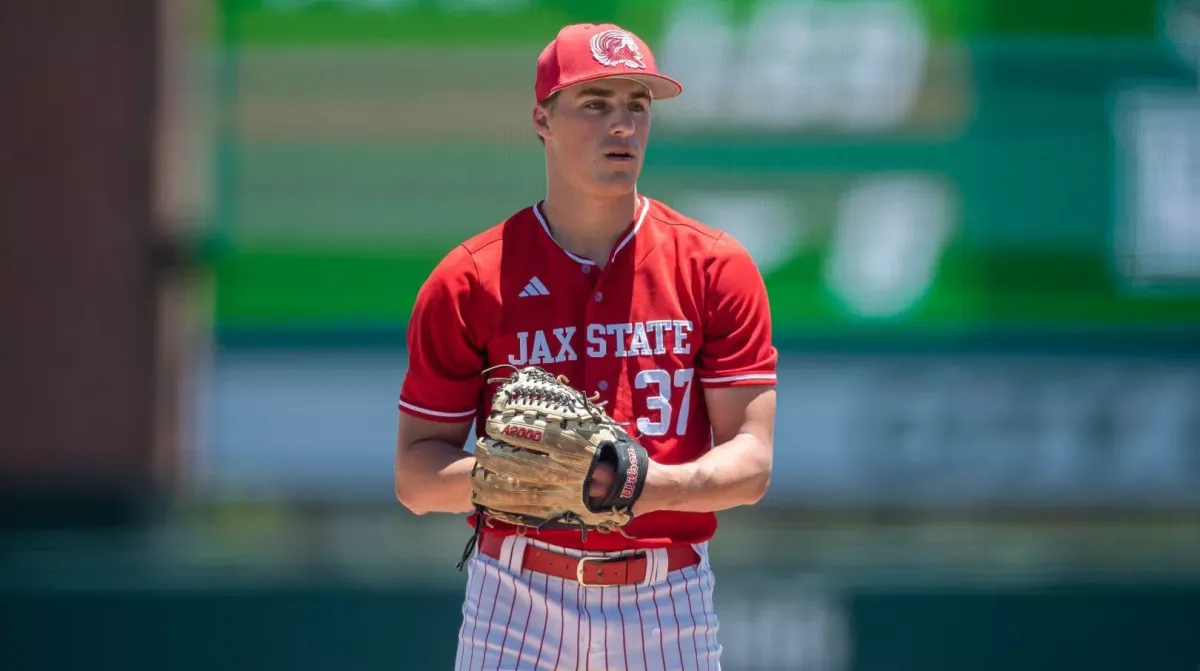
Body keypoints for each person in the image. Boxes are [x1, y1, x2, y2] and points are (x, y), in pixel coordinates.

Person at [394, 22, 778, 671]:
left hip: (668, 594)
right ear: (541, 119)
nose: (621, 124)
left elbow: (753, 463)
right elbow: (415, 476)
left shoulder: (713, 267)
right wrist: (530, 484)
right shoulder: (469, 279)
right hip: (515, 594)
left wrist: (643, 487)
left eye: (637, 105)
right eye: (595, 104)